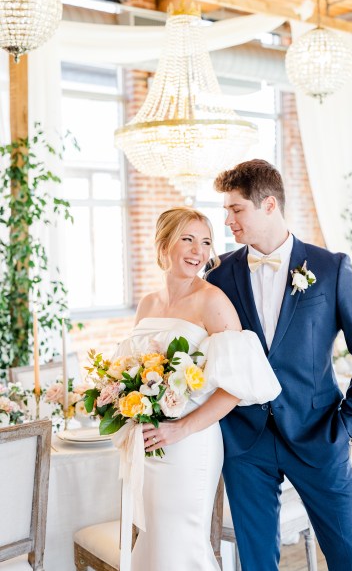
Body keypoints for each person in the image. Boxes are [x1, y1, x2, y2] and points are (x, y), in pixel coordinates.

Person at [206, 158, 352, 571]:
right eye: (226, 212)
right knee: (256, 564)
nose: (228, 222)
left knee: (350, 560)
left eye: (236, 210)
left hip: (320, 436)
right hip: (246, 443)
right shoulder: (218, 275)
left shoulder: (331, 269)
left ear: (269, 205)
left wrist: (350, 428)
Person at [113, 206, 281, 571]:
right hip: (149, 445)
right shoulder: (148, 304)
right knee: (156, 541)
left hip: (190, 445)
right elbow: (130, 371)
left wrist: (179, 428)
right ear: (164, 244)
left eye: (205, 242)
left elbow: (237, 386)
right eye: (187, 239)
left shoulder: (213, 302)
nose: (198, 251)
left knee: (182, 543)